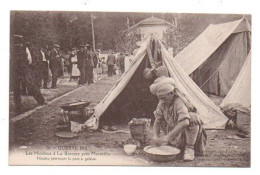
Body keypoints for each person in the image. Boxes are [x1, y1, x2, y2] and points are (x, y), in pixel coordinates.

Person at [150, 66, 207, 161]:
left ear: (171, 93)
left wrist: (167, 137)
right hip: (175, 136)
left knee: (192, 117)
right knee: (160, 118)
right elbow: (157, 121)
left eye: (164, 98)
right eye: (160, 99)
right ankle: (174, 145)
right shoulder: (162, 102)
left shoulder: (179, 101)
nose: (162, 101)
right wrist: (155, 136)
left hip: (187, 135)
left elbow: (185, 122)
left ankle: (189, 148)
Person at [11, 35, 46, 114]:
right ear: (21, 41)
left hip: (14, 70)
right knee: (31, 85)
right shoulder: (25, 48)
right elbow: (29, 60)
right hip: (24, 69)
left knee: (16, 89)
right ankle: (41, 100)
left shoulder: (11, 49)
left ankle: (18, 108)